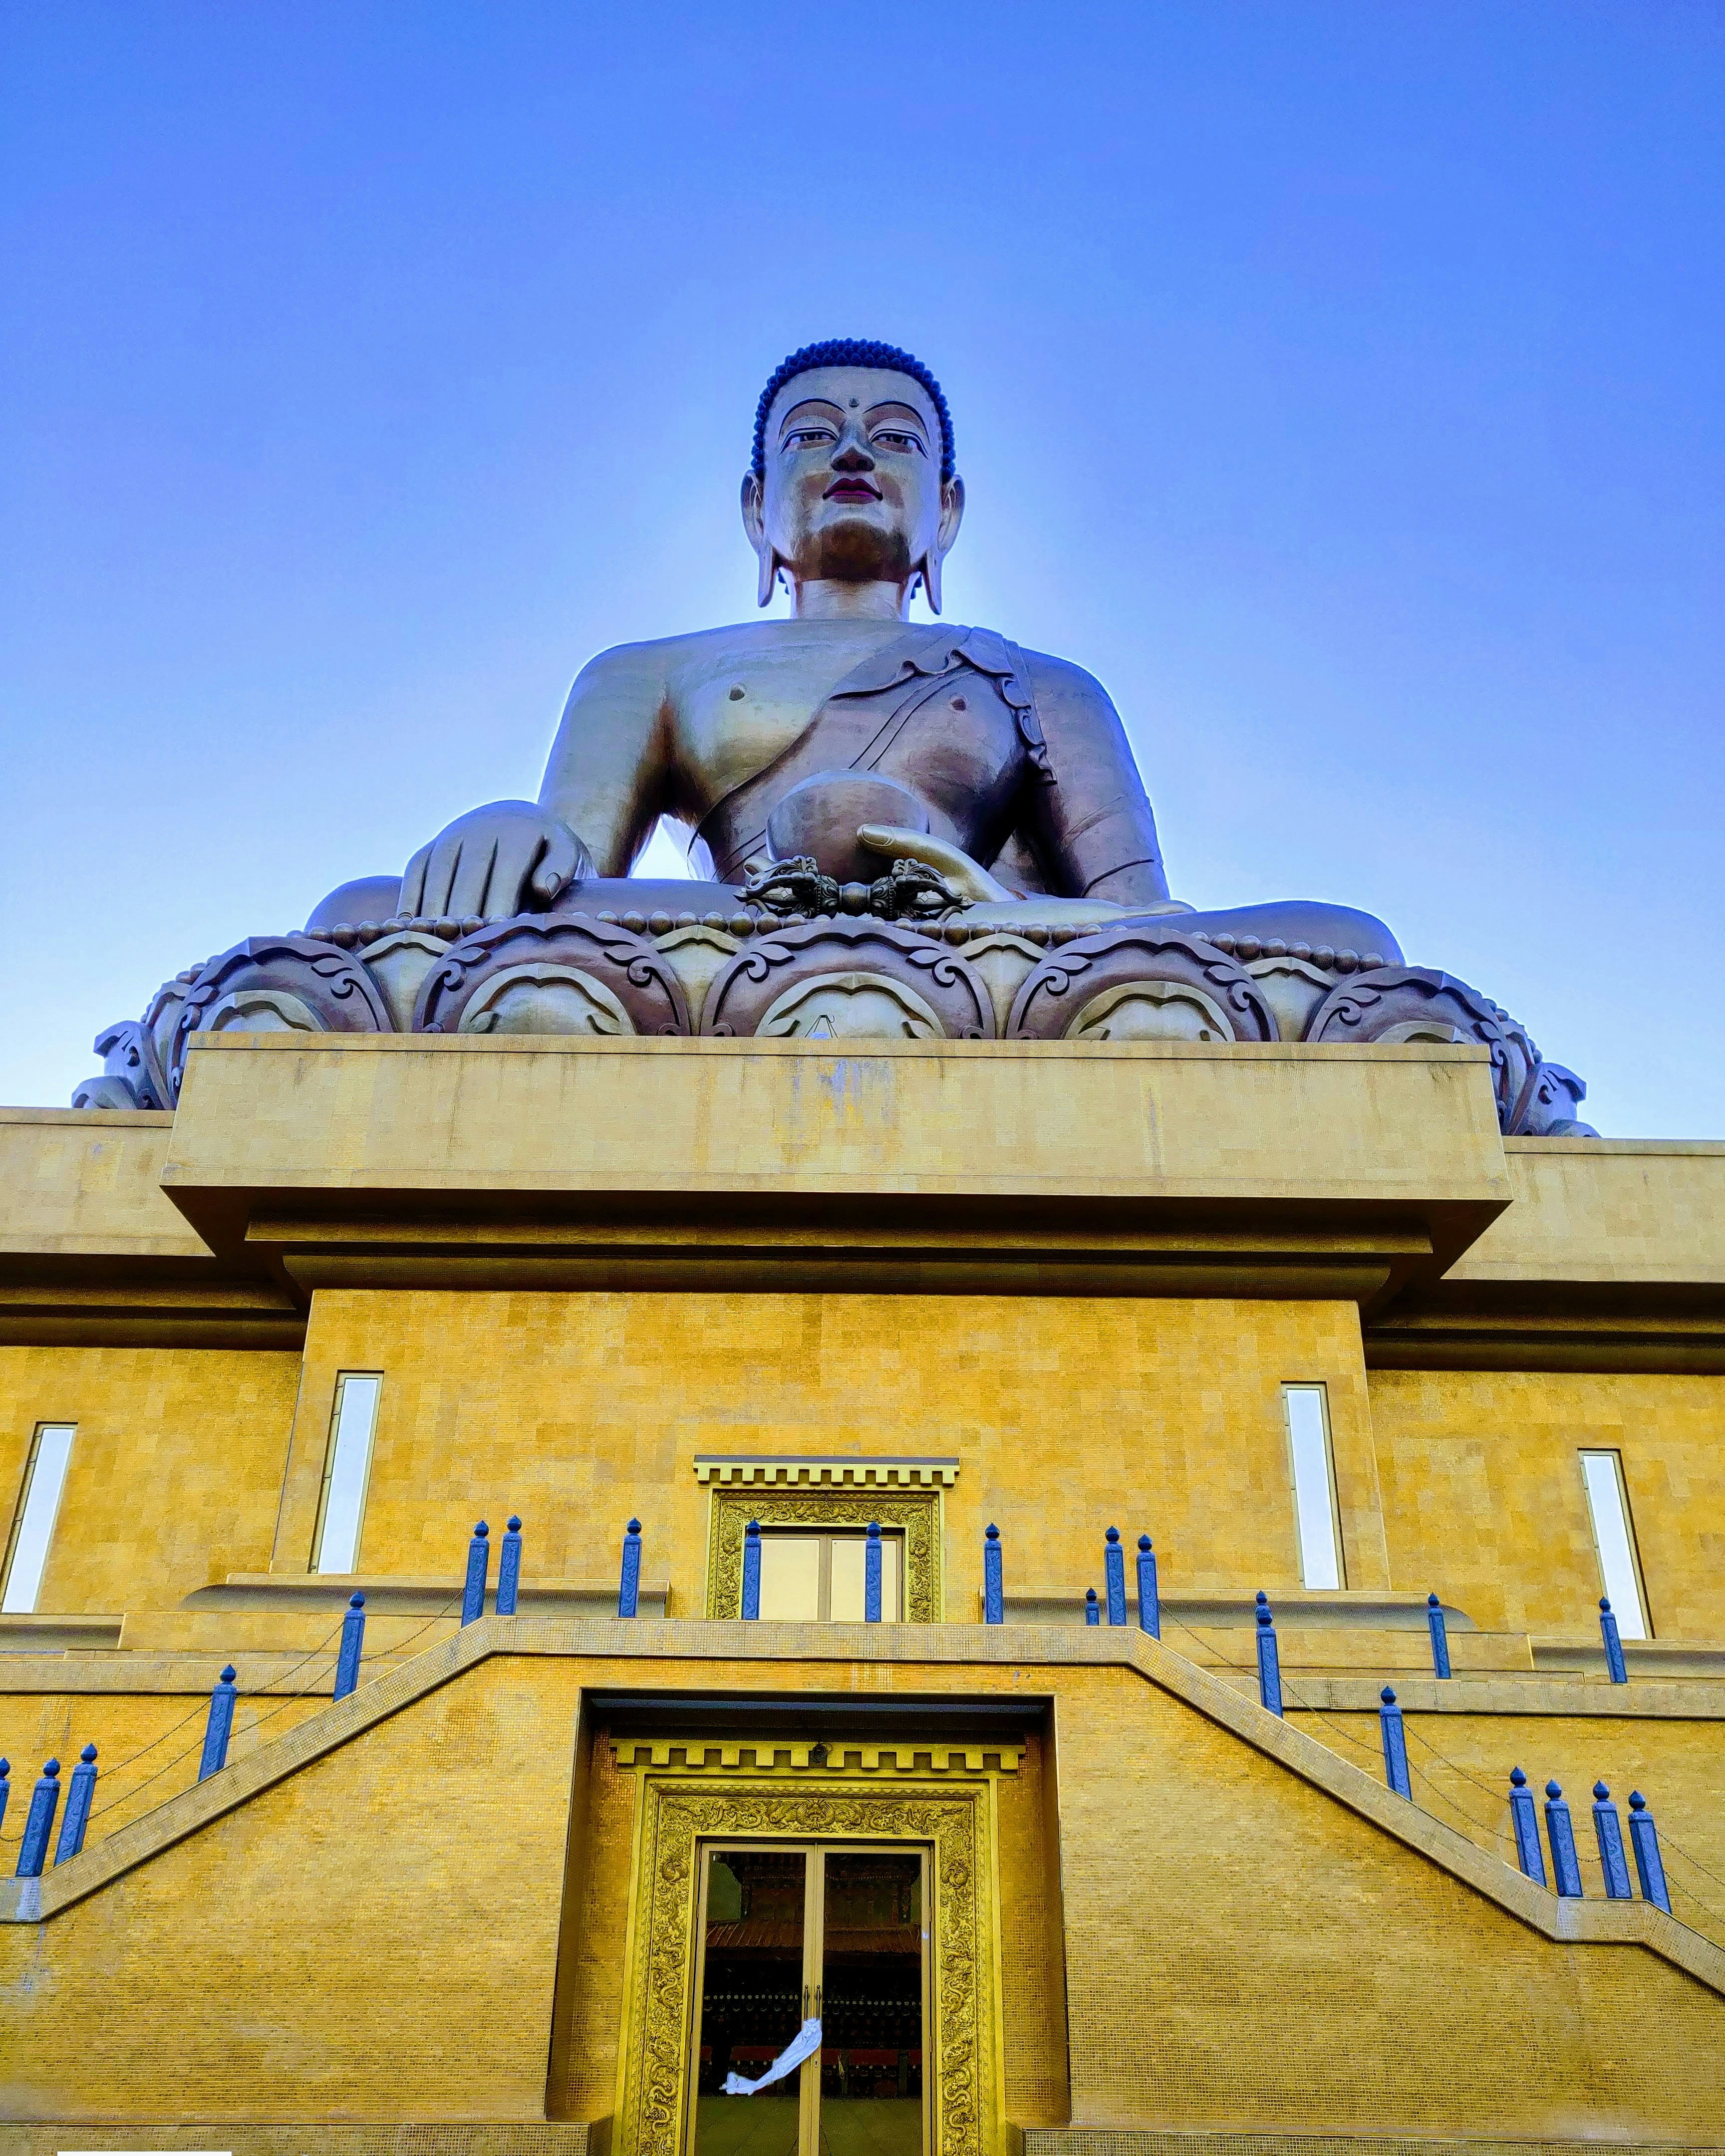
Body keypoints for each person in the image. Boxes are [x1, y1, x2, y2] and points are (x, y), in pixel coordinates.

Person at [310, 338, 1398, 964]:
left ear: (948, 511)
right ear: (756, 509)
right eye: (812, 433)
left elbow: (1141, 929)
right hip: (730, 942)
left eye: (894, 439)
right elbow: (564, 902)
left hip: (991, 951)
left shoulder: (1041, 685)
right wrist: (516, 836)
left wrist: (982, 908)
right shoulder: (642, 672)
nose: (850, 453)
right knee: (361, 923)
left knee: (1349, 946)